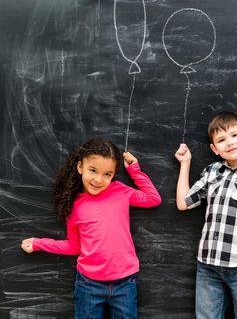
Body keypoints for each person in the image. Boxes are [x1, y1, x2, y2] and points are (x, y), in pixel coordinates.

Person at [21, 137, 161, 319]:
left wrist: (134, 171)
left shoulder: (120, 191)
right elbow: (74, 246)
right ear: (80, 167)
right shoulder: (74, 207)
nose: (98, 179)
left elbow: (153, 199)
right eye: (93, 170)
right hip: (89, 285)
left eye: (107, 174)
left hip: (125, 283)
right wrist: (39, 243)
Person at [174, 111, 237, 319]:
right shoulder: (212, 172)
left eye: (234, 135)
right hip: (208, 265)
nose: (229, 143)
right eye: (221, 140)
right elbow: (183, 203)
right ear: (214, 149)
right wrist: (185, 164)